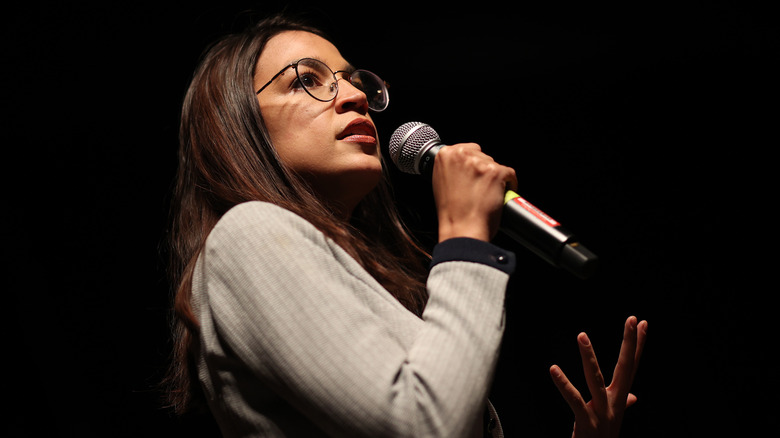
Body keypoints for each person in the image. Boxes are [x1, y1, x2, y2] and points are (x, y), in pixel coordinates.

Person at [164, 14, 648, 437]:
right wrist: (464, 239)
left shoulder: (361, 281)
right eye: (305, 80)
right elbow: (425, 426)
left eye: (355, 81)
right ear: (237, 124)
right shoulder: (247, 233)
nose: (355, 96)